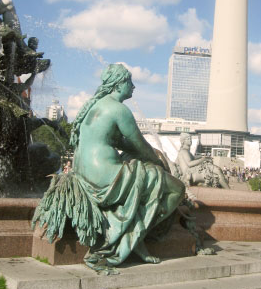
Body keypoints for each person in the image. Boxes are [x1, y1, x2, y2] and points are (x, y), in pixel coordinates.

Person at [34, 64, 185, 271]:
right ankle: (132, 237)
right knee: (177, 189)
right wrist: (159, 163)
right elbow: (141, 146)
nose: (133, 87)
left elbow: (111, 141)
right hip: (105, 175)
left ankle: (133, 235)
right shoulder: (119, 110)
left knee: (143, 173)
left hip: (85, 172)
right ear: (119, 84)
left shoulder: (93, 106)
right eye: (130, 82)